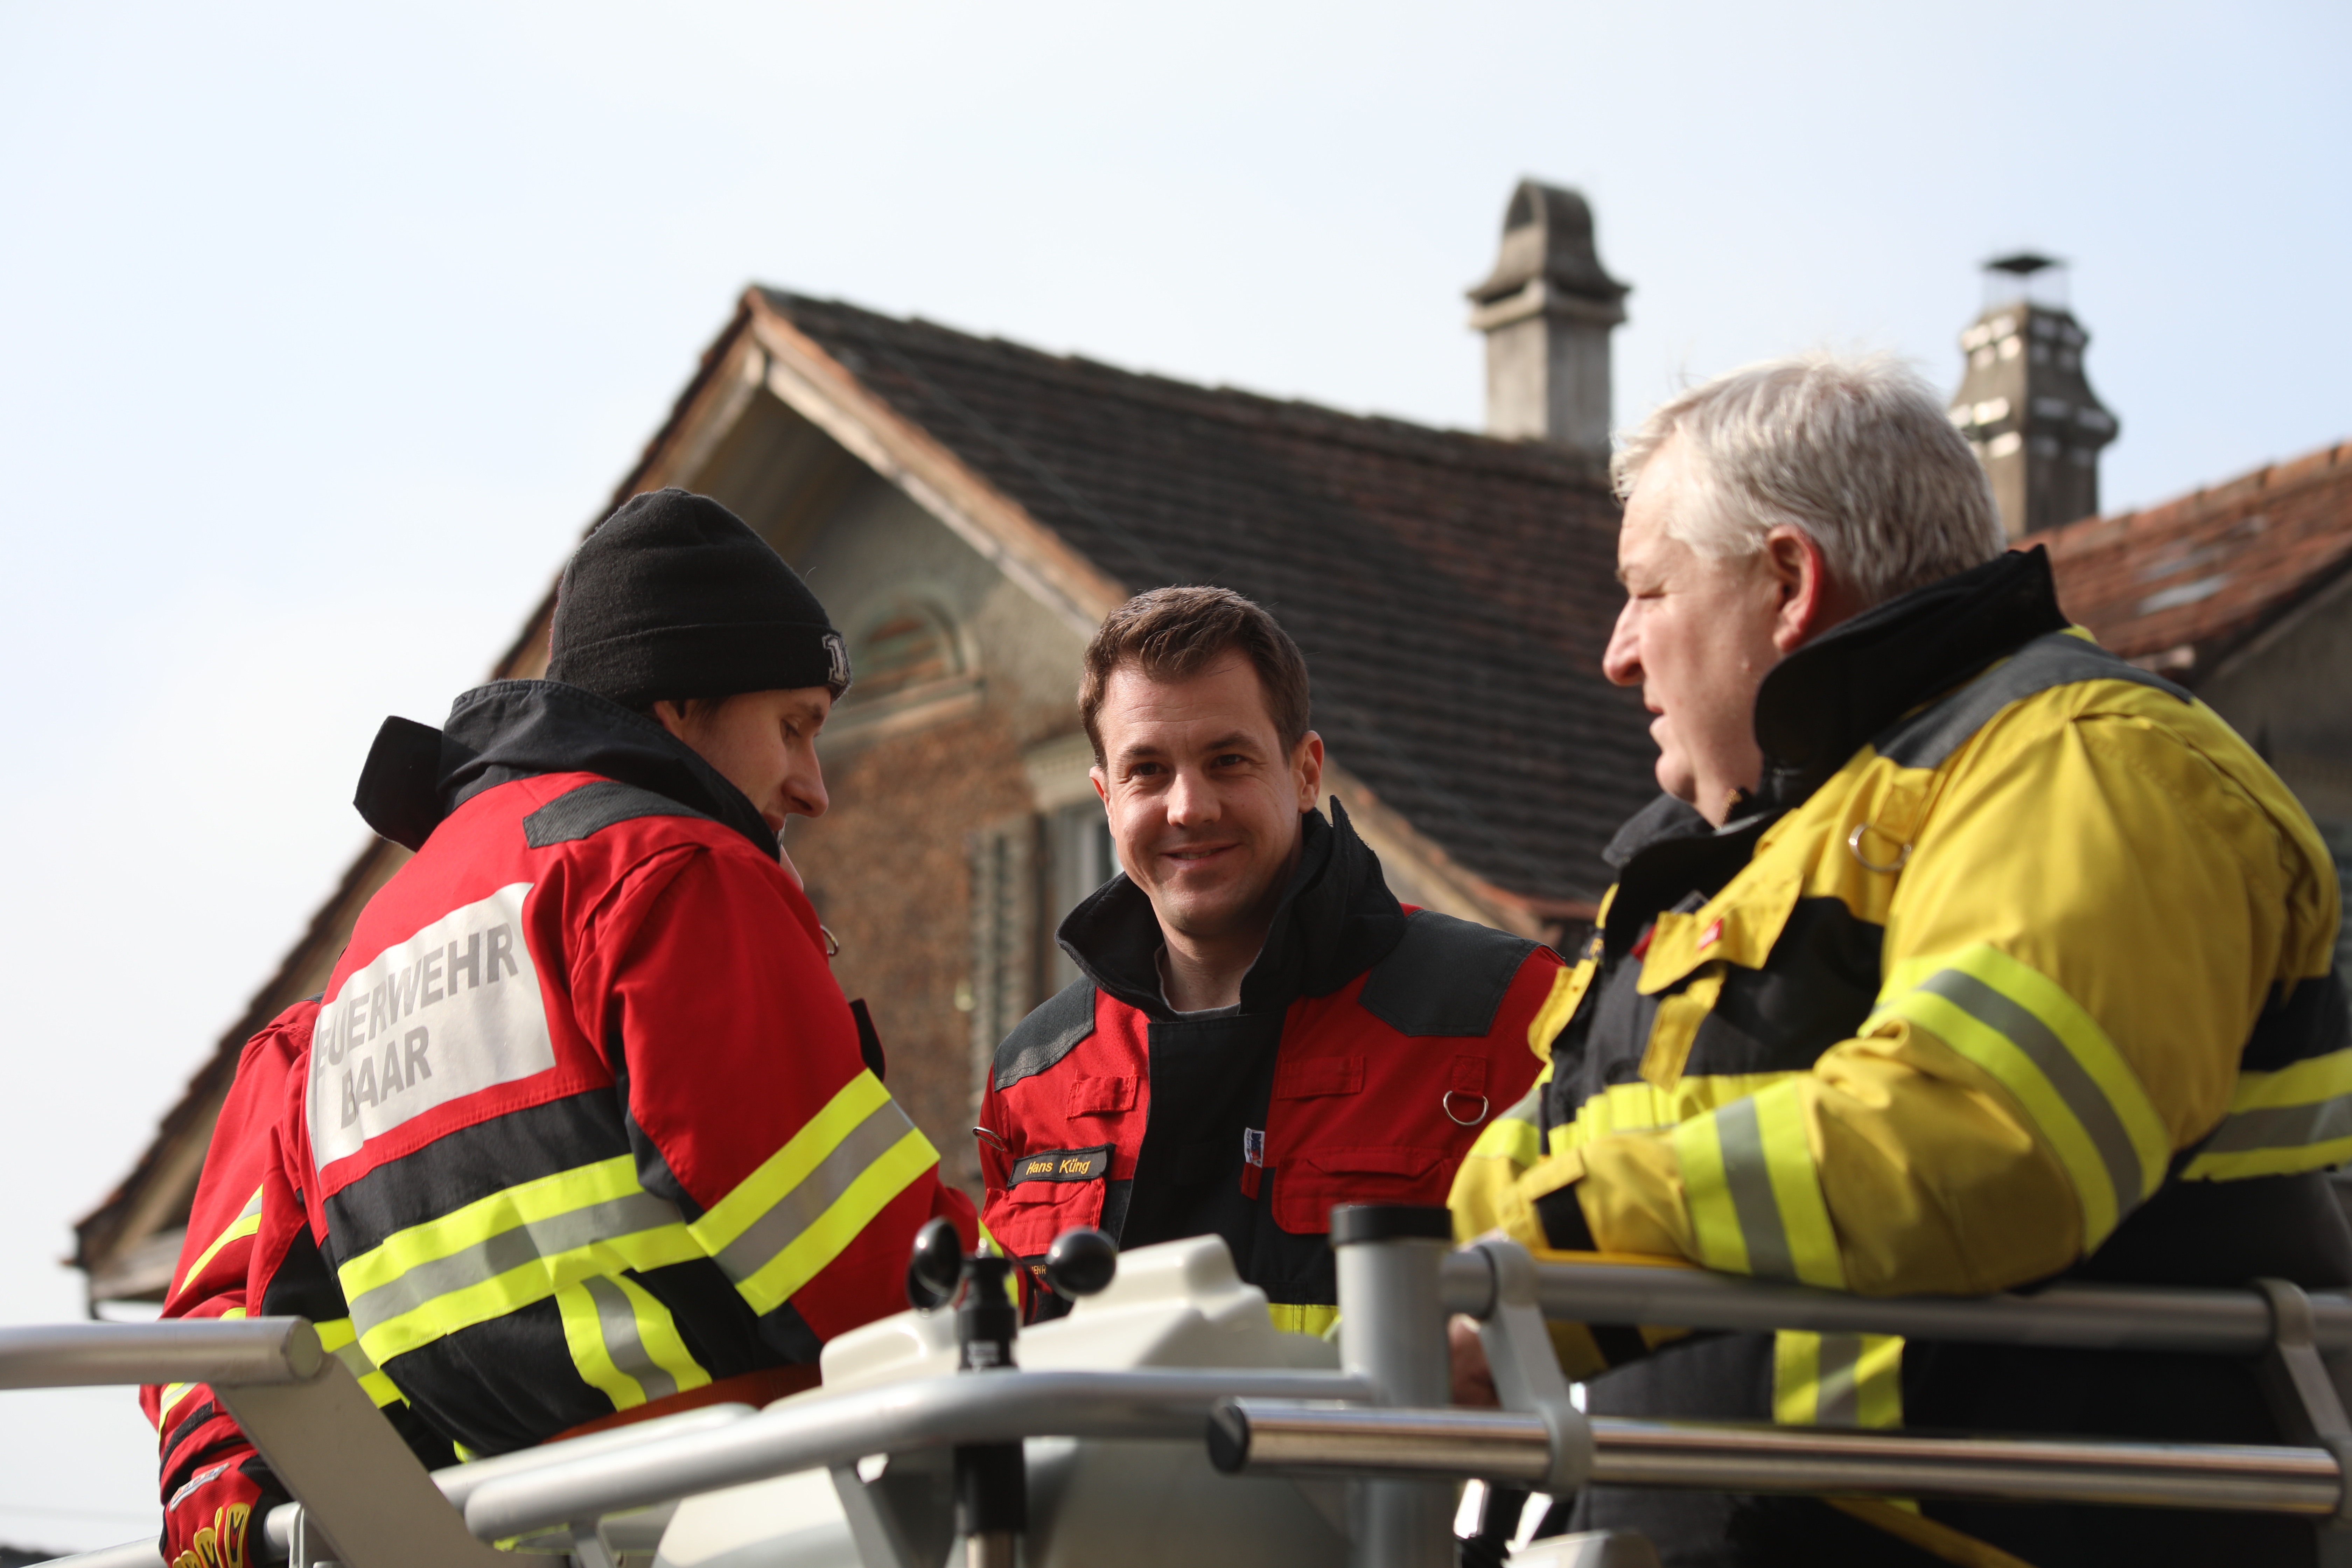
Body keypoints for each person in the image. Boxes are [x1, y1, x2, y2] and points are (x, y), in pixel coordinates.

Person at [1449, 355, 2352, 1566]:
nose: (1617, 654)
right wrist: (1460, 1284)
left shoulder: (2092, 763)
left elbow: (1984, 1131)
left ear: (1787, 581)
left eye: (1647, 591)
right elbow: (1511, 1181)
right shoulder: (1730, 857)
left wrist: (1546, 1262)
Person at [148, 489, 976, 1568]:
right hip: (756, 1515)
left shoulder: (358, 975)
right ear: (677, 708)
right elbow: (859, 1253)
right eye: (794, 727)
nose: (814, 787)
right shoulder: (669, 873)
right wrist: (1041, 1309)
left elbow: (277, 1326)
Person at [977, 587, 1561, 1333]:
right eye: (1146, 771)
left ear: (1307, 771)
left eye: (1228, 760)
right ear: (1105, 796)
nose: (1189, 806)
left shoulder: (1505, 1011)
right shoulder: (1034, 1073)